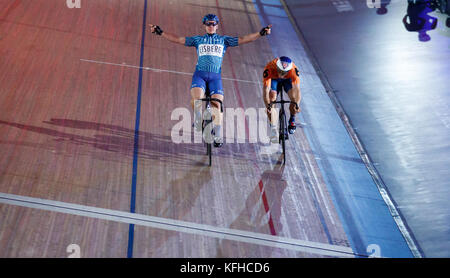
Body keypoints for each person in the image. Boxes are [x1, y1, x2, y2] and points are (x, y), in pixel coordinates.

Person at [149, 14, 271, 147]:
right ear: (204, 26)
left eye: (213, 24)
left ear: (217, 26)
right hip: (200, 76)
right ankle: (198, 119)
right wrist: (161, 32)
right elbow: (178, 39)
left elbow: (243, 39)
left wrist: (260, 33)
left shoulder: (224, 40)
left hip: (215, 78)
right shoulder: (198, 40)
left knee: (217, 105)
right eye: (208, 24)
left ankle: (218, 135)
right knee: (197, 99)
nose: (211, 26)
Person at [262, 56, 301, 143]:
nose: (281, 74)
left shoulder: (293, 70)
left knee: (294, 99)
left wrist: (297, 104)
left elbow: (297, 90)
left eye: (284, 72)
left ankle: (292, 119)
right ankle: (273, 126)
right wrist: (268, 106)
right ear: (276, 67)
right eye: (280, 71)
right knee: (272, 98)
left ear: (288, 70)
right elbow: (265, 91)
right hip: (274, 79)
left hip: (287, 80)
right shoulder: (269, 68)